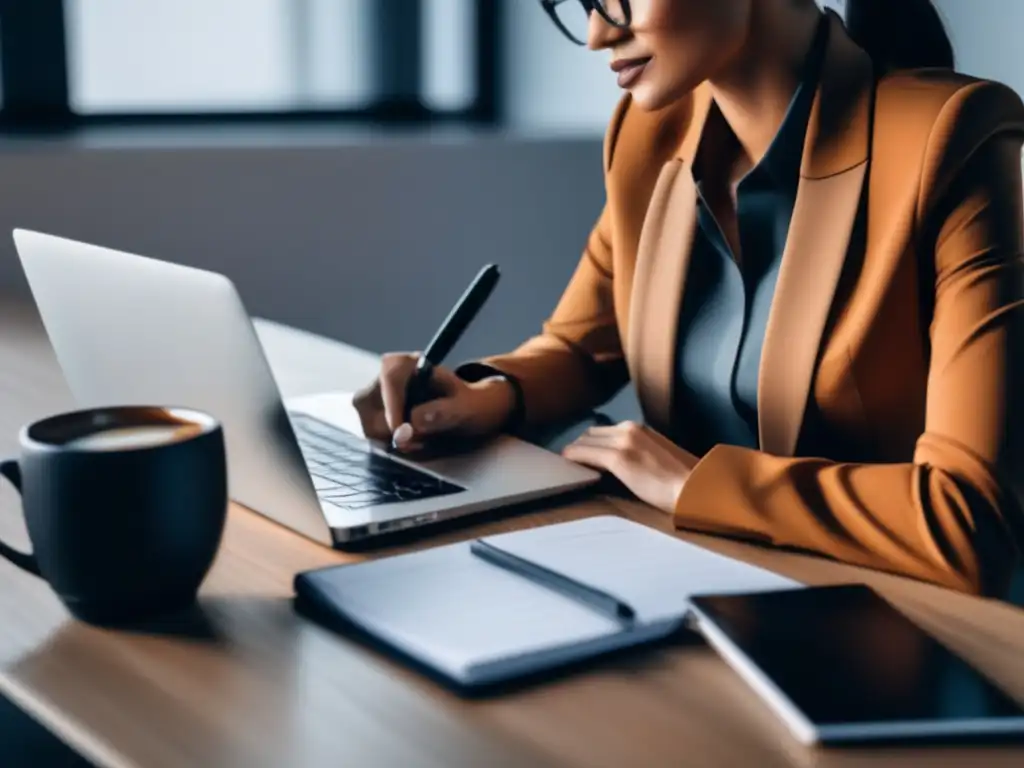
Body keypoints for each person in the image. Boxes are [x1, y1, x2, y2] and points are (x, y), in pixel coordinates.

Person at [353, 0, 1024, 597]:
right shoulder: (650, 134)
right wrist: (484, 398)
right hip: (689, 585)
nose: (594, 36)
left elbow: (971, 517)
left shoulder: (954, 137)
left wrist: (694, 486)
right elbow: (584, 346)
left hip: (898, 621)